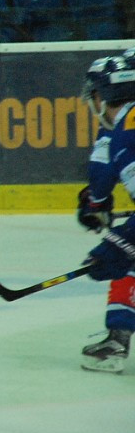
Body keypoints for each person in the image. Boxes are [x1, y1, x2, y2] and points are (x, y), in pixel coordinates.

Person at [76, 53, 135, 373]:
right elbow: (103, 164)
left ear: (104, 94)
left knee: (127, 253)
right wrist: (96, 202)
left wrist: (120, 242)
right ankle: (117, 338)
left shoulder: (128, 132)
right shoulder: (125, 123)